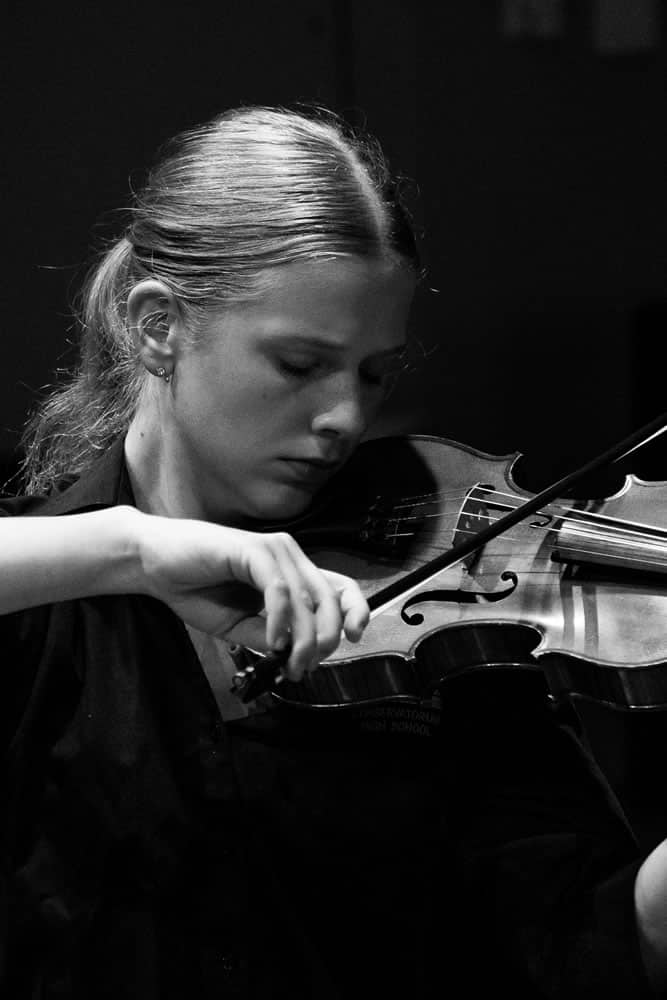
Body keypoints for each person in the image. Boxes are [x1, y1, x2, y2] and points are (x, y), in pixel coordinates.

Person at [1, 103, 665, 999]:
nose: (346, 418)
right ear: (156, 324)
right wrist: (125, 549)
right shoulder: (44, 590)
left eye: (373, 372)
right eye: (299, 364)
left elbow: (574, 940)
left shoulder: (449, 605)